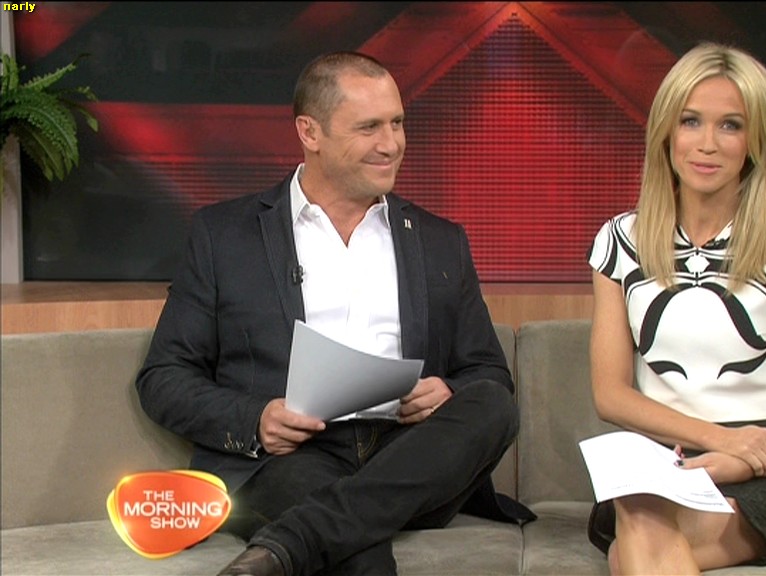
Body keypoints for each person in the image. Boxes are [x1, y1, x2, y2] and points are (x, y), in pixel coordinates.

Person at [135, 51, 534, 576]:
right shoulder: (224, 235)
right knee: (357, 551)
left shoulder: (440, 241)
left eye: (397, 123)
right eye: (369, 127)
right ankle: (330, 527)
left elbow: (489, 373)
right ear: (310, 132)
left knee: (492, 405)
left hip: (409, 454)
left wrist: (447, 391)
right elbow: (163, 377)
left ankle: (291, 542)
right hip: (292, 459)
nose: (391, 144)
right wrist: (255, 419)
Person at [585, 41, 766, 575]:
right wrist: (719, 441)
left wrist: (744, 458)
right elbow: (610, 395)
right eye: (691, 121)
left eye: (731, 125)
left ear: (755, 140)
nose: (707, 144)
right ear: (666, 132)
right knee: (644, 515)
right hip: (660, 460)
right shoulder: (620, 242)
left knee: (630, 553)